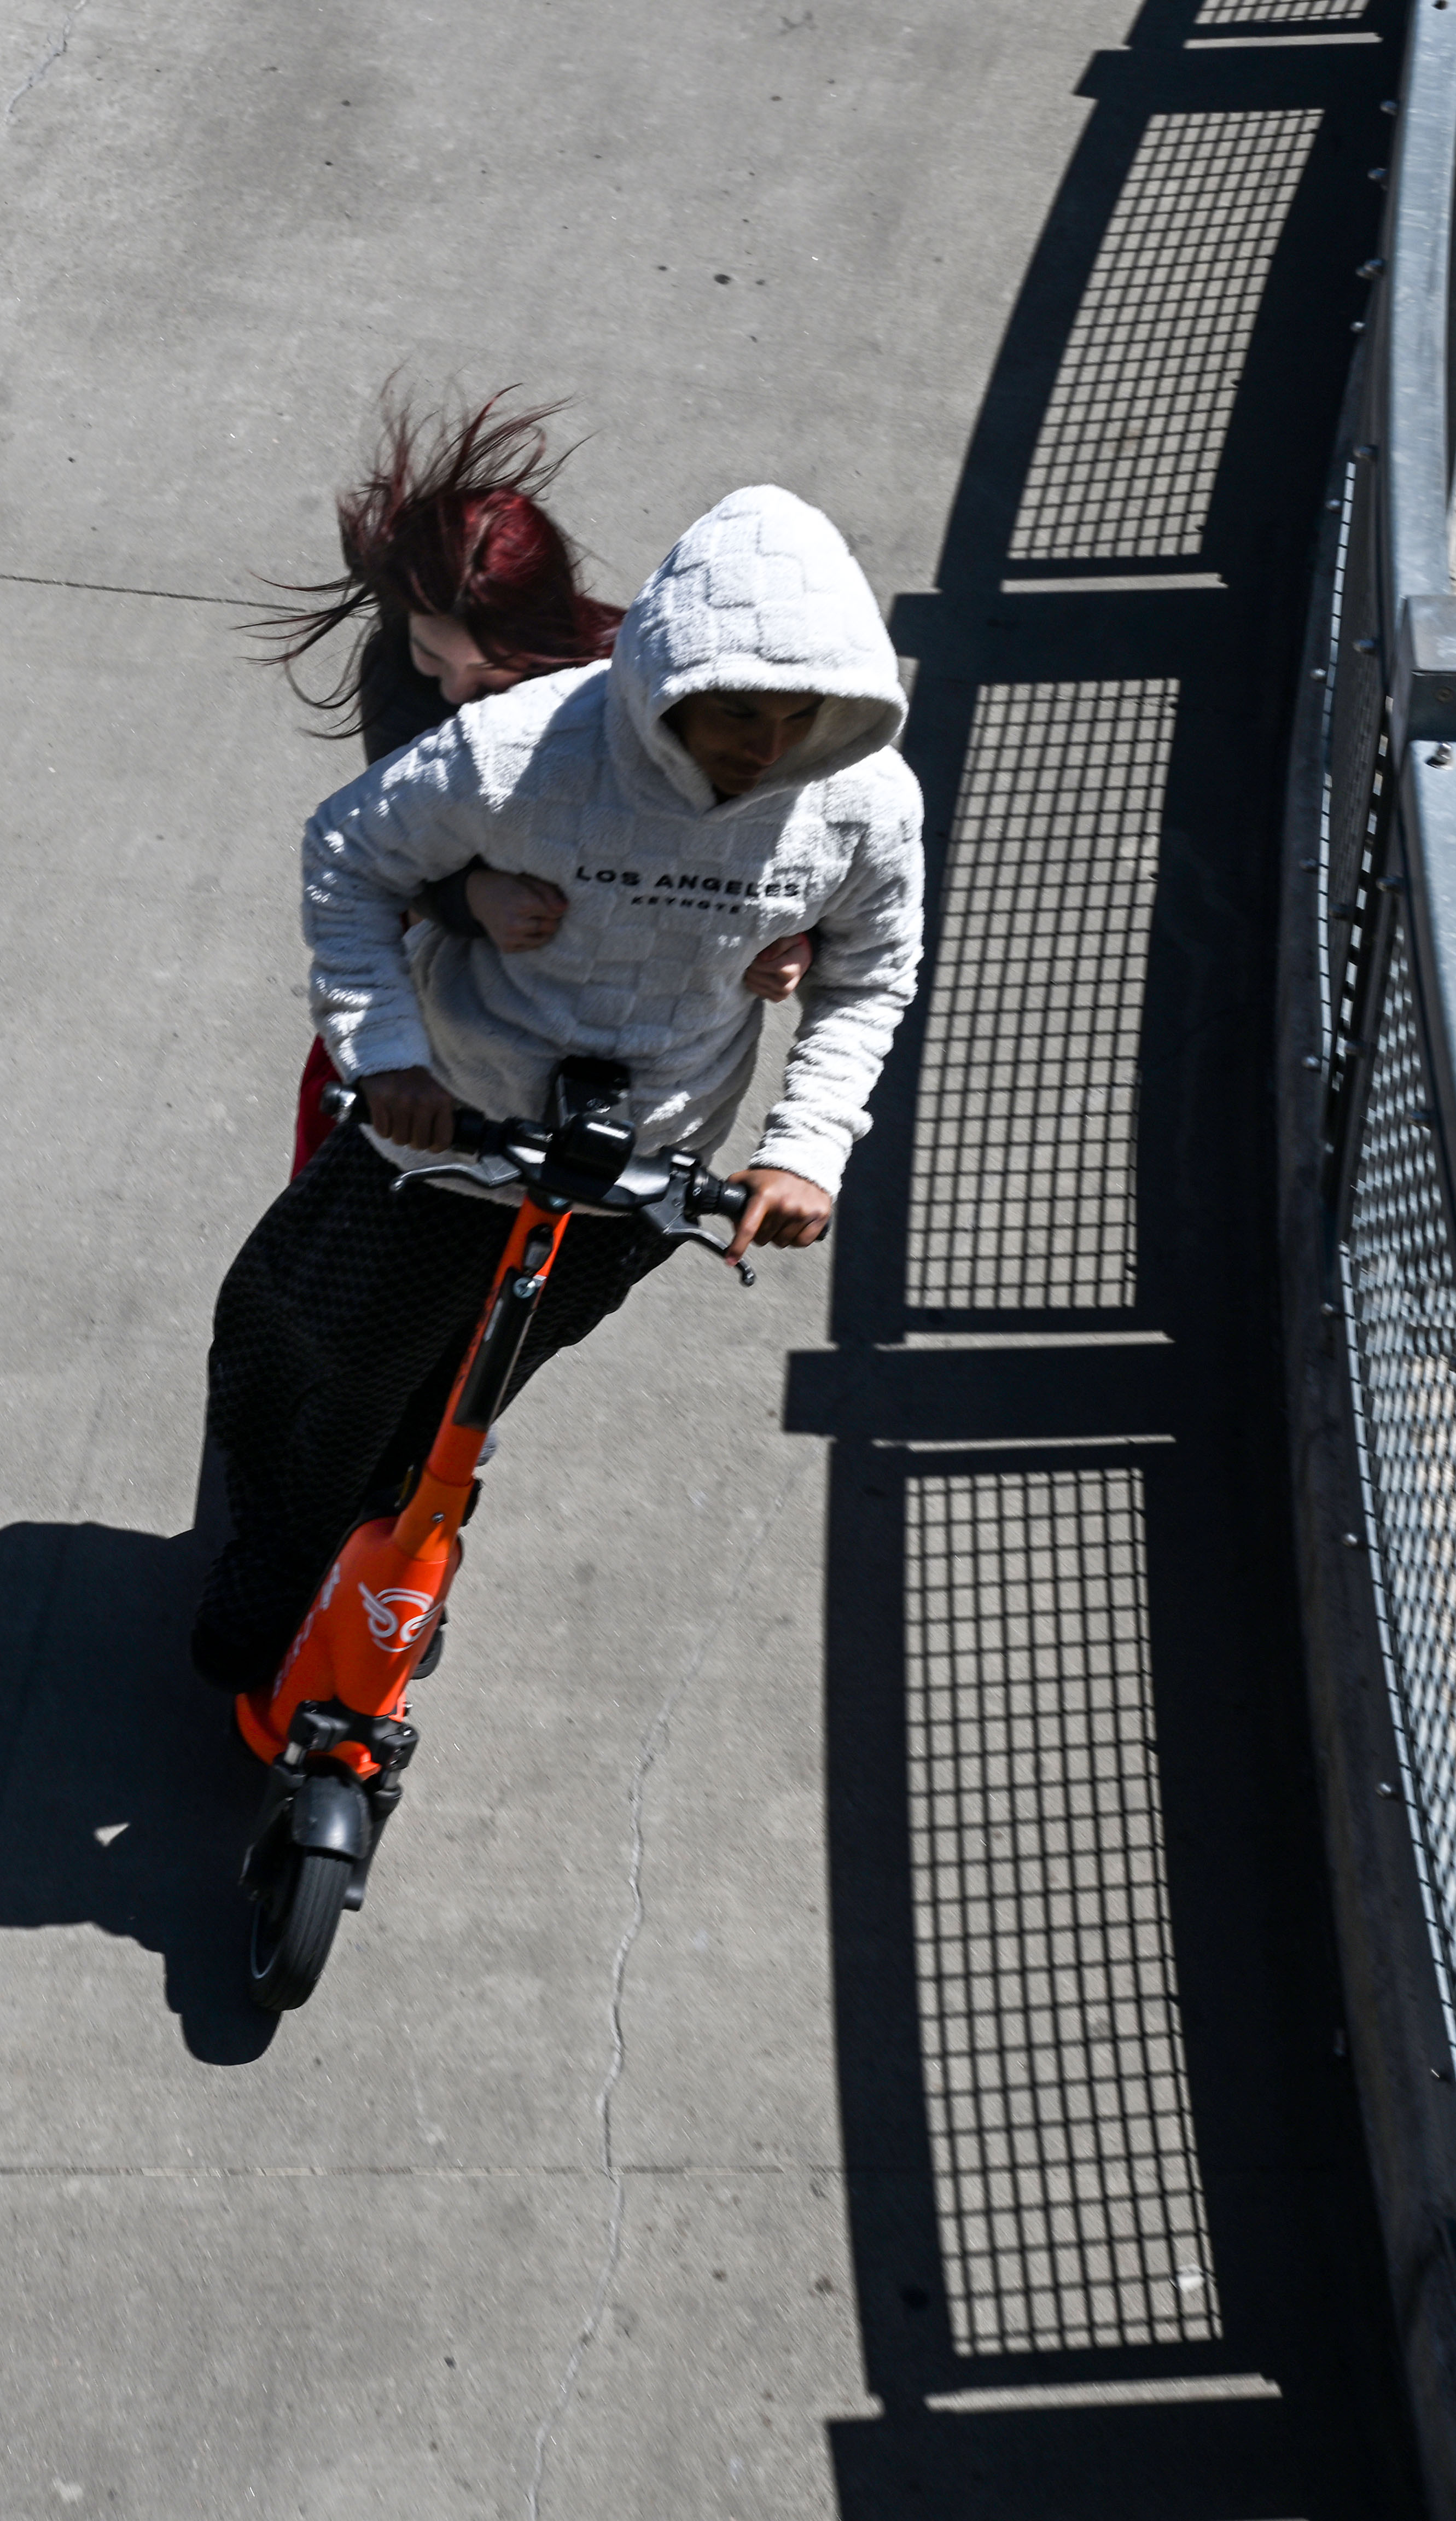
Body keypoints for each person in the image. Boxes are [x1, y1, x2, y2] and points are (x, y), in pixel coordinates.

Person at [190, 484, 926, 1697]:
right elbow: (349, 856)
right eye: (730, 713)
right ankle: (277, 1562)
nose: (761, 746)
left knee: (465, 1393)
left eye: (796, 718)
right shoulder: (518, 745)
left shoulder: (862, 802)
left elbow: (873, 973)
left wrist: (806, 1149)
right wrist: (387, 1059)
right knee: (320, 1355)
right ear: (666, 685)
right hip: (447, 1141)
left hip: (637, 1173)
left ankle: (396, 1560)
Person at [250, 393, 808, 1178]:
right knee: (341, 1119)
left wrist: (791, 938)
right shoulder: (395, 675)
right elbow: (391, 845)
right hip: (446, 972)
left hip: (623, 1004)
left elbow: (773, 824)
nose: (452, 696)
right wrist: (468, 896)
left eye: (493, 673)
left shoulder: (638, 682)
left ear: (549, 639)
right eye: (433, 660)